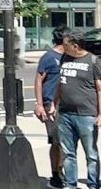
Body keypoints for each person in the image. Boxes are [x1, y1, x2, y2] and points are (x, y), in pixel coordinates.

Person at [49, 29, 101, 189]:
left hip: (86, 115)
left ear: (75, 45)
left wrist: (100, 114)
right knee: (68, 153)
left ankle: (93, 184)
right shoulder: (65, 57)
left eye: (65, 44)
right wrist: (53, 104)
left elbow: (100, 89)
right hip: (65, 114)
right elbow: (60, 83)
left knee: (91, 154)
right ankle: (70, 184)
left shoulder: (93, 61)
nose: (62, 47)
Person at [36, 26, 68, 189]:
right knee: (56, 142)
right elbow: (39, 80)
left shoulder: (71, 57)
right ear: (63, 39)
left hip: (68, 106)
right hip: (51, 106)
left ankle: (64, 172)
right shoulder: (49, 57)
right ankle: (55, 174)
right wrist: (40, 105)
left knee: (67, 143)